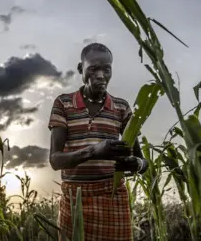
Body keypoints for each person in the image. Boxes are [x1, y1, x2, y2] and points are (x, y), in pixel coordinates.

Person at [48, 42, 149, 240]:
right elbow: (55, 160)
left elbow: (143, 163)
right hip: (74, 200)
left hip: (112, 198)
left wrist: (133, 163)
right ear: (81, 69)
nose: (101, 75)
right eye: (93, 68)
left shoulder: (121, 108)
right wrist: (94, 151)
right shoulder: (64, 104)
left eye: (107, 69)